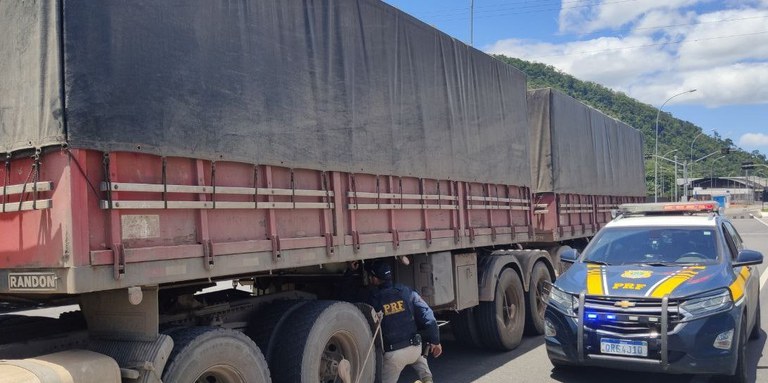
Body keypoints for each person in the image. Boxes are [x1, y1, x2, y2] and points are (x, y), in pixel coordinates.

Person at [366, 260, 442, 383]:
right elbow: (429, 317)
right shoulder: (407, 291)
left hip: (394, 355)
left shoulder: (373, 299)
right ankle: (427, 380)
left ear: (374, 279)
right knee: (424, 370)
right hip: (415, 348)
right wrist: (435, 341)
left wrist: (349, 273)